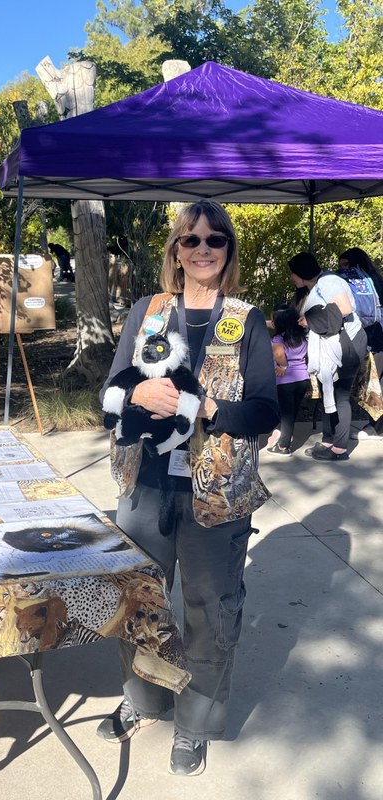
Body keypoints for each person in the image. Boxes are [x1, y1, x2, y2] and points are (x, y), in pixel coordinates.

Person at [97, 200, 278, 776]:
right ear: (175, 249)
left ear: (228, 251)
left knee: (208, 610)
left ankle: (195, 723)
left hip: (216, 495)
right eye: (191, 239)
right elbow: (108, 397)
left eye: (215, 240)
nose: (203, 249)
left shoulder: (245, 318)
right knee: (141, 603)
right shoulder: (146, 313)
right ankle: (144, 700)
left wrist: (210, 407)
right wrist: (133, 398)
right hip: (145, 486)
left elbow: (266, 413)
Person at [288, 252, 368, 461]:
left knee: (340, 394)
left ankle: (339, 448)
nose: (291, 278)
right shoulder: (313, 288)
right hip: (331, 348)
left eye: (293, 273)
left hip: (345, 345)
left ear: (302, 272)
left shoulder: (329, 281)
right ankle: (328, 439)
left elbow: (344, 308)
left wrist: (310, 320)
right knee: (327, 391)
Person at [337, 247, 383, 440]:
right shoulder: (375, 280)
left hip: (374, 339)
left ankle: (377, 427)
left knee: (374, 384)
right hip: (379, 337)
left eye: (345, 265)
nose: (343, 270)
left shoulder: (360, 283)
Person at [266, 303, 310, 456]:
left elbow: (279, 355)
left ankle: (283, 446)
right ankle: (283, 434)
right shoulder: (301, 336)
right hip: (303, 378)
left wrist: (283, 367)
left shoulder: (279, 339)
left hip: (285, 380)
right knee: (292, 412)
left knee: (286, 414)